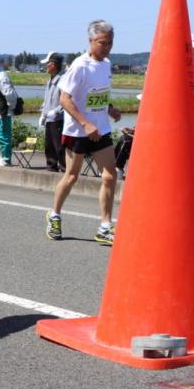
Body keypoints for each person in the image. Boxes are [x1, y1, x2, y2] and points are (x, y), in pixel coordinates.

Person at [46, 22, 121, 244]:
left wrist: (109, 108)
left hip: (101, 129)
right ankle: (54, 214)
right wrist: (86, 124)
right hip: (78, 131)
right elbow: (64, 98)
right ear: (90, 41)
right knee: (71, 177)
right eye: (102, 43)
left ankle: (105, 226)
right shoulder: (80, 66)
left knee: (110, 175)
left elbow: (96, 94)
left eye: (110, 43)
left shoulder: (106, 64)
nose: (106, 47)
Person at [39, 51, 66, 171]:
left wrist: (57, 111)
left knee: (59, 146)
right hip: (49, 119)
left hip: (59, 119)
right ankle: (51, 167)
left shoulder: (63, 80)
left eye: (47, 63)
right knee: (49, 146)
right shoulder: (50, 80)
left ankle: (65, 169)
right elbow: (47, 99)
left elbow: (67, 100)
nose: (46, 66)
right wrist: (43, 114)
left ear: (53, 64)